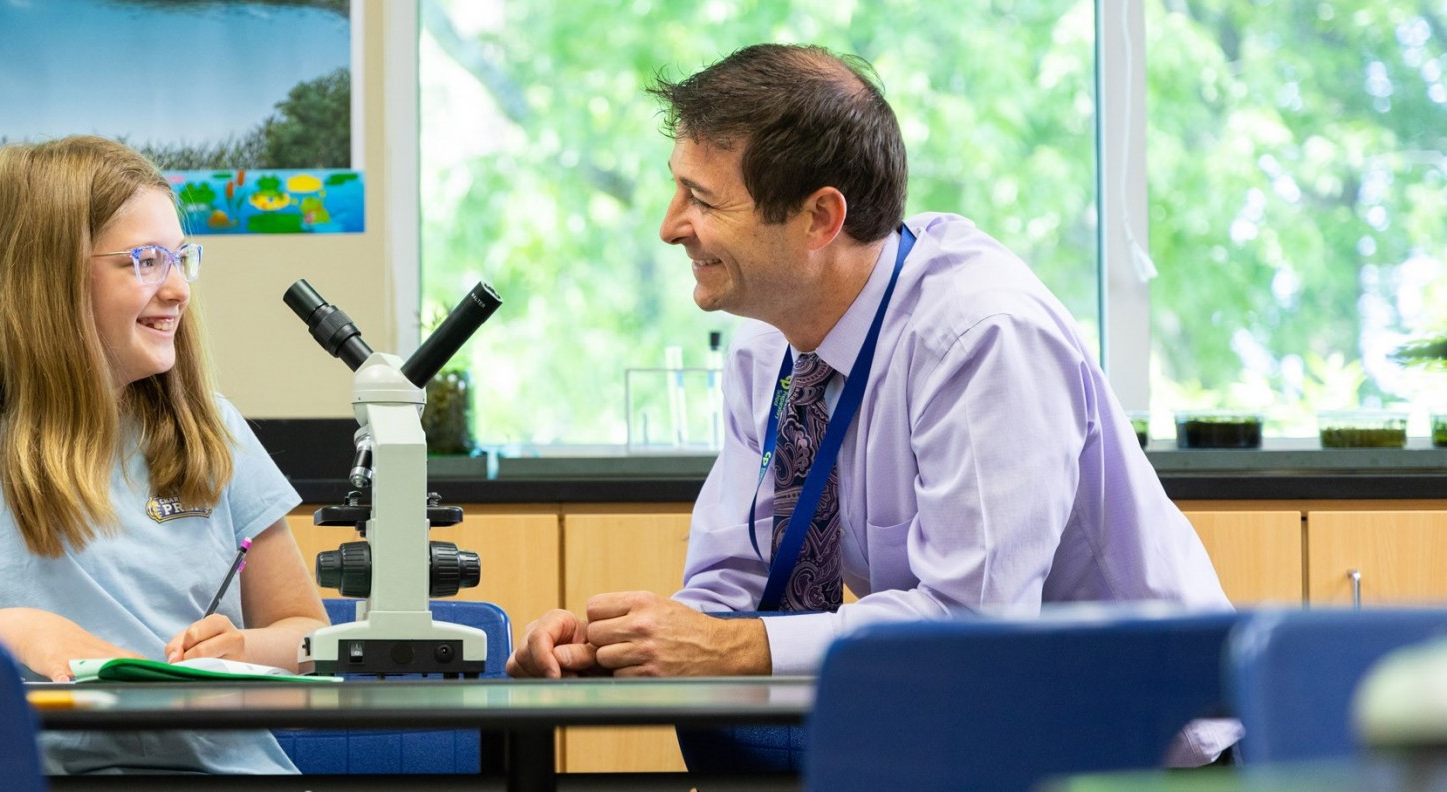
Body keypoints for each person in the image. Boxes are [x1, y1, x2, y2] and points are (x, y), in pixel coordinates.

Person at [506, 44, 1237, 763]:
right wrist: (620, 642)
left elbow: (971, 627)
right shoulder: (768, 345)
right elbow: (737, 584)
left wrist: (732, 646)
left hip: (1138, 754)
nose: (669, 226)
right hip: (965, 736)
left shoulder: (981, 335)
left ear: (820, 217)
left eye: (701, 199)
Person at [0, 135, 328, 775]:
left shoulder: (211, 429)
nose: (177, 290)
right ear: (50, 280)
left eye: (179, 259)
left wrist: (245, 648)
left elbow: (307, 633)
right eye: (145, 261)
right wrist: (14, 632)